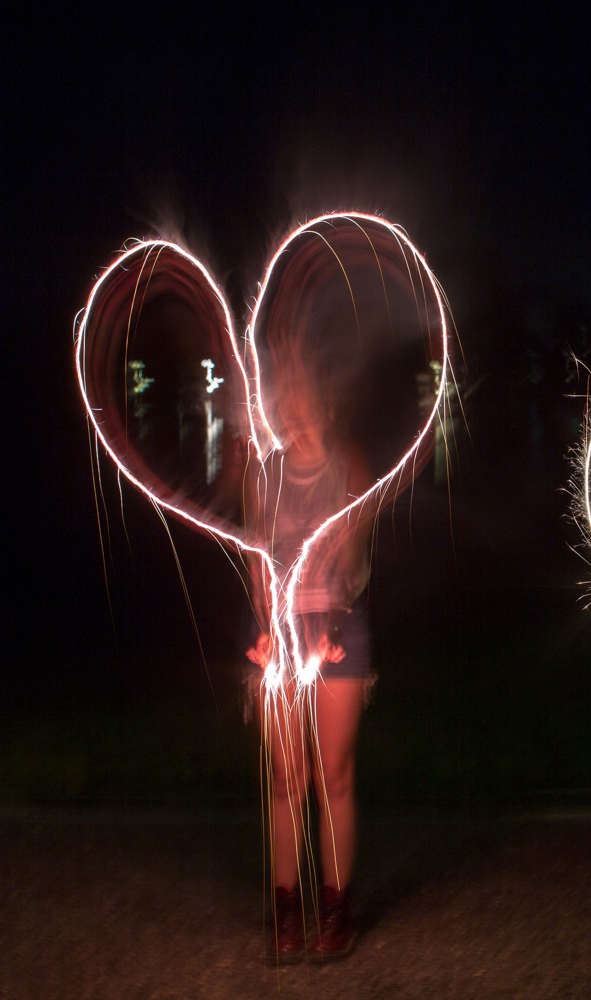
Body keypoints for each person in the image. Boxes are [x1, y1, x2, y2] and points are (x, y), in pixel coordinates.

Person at [245, 375, 378, 964]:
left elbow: (356, 556)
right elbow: (256, 555)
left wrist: (337, 624)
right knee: (286, 777)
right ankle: (284, 907)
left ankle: (335, 906)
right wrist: (264, 628)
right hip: (282, 628)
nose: (295, 419)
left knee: (334, 775)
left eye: (305, 406)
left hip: (338, 629)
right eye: (286, 408)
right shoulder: (264, 474)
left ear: (328, 406)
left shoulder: (349, 465)